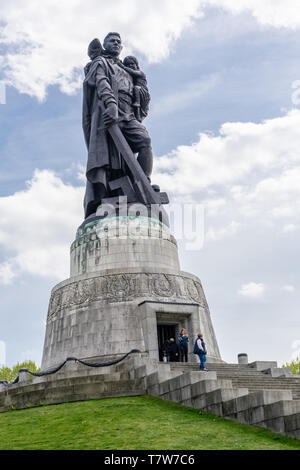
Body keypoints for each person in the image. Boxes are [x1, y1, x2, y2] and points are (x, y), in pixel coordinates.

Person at [82, 33, 154, 218]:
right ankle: (106, 196)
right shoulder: (101, 62)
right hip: (109, 112)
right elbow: (101, 81)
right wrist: (111, 104)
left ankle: (142, 184)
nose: (116, 43)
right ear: (105, 45)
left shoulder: (127, 69)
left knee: (144, 141)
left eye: (119, 42)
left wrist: (141, 89)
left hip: (128, 113)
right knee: (109, 159)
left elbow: (141, 94)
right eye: (112, 41)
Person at [120, 56, 150, 122]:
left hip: (142, 90)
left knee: (136, 88)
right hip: (136, 92)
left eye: (132, 64)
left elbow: (133, 72)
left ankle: (137, 104)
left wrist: (122, 67)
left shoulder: (140, 73)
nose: (130, 65)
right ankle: (137, 115)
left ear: (136, 65)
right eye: (128, 65)